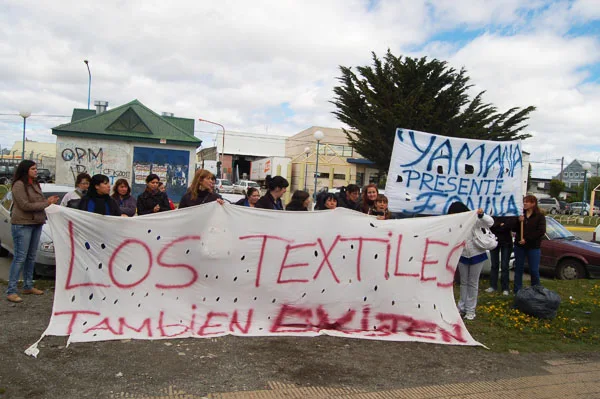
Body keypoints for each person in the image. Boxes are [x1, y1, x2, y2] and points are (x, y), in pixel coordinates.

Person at [6, 160, 60, 303]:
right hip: (23, 223)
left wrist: (49, 202)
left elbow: (39, 201)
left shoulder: (35, 184)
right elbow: (25, 205)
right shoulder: (19, 185)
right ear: (25, 170)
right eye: (33, 169)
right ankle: (11, 290)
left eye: (36, 169)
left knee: (31, 256)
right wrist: (47, 203)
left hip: (36, 222)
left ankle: (28, 285)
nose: (36, 171)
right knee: (20, 257)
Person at [448, 201, 493, 321]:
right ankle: (461, 307)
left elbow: (490, 222)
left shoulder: (474, 219)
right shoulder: (455, 223)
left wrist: (481, 214)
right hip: (462, 255)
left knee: (473, 283)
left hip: (477, 254)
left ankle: (471, 310)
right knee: (464, 282)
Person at [513, 195, 546, 294]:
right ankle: (517, 290)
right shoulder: (521, 214)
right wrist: (518, 222)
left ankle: (536, 290)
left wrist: (527, 239)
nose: (525, 203)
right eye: (524, 202)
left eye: (527, 202)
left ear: (533, 203)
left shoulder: (539, 216)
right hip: (520, 247)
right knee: (518, 268)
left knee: (534, 270)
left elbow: (541, 231)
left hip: (533, 247)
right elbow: (514, 229)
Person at [486, 216, 517, 295]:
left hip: (506, 242)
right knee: (494, 265)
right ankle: (493, 286)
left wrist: (500, 226)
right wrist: (500, 225)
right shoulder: (494, 212)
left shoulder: (509, 212)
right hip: (494, 241)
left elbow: (510, 224)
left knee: (504, 265)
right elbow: (491, 224)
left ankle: (505, 288)